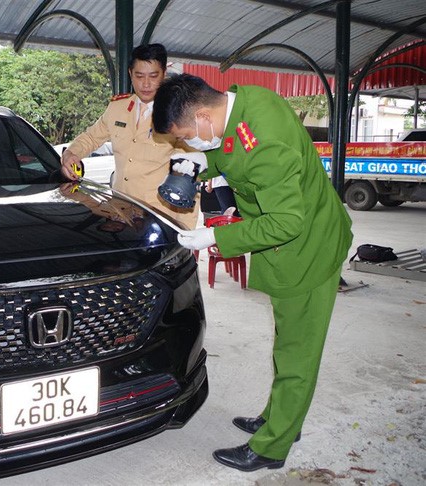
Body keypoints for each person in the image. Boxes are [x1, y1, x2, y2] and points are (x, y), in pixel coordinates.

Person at [152, 74, 353, 472]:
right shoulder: (246, 103)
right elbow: (233, 152)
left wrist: (214, 237)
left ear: (204, 115)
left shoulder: (265, 145)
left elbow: (285, 223)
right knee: (287, 342)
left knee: (298, 354)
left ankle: (271, 447)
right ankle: (281, 418)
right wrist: (203, 163)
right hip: (297, 242)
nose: (188, 143)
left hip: (306, 252)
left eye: (188, 136)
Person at [60, 43, 201, 230]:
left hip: (159, 215)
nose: (146, 84)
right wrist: (71, 154)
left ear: (164, 74)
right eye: (139, 76)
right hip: (120, 212)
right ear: (130, 73)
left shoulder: (177, 114)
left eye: (153, 76)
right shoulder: (117, 107)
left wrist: (183, 229)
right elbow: (91, 138)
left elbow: (191, 172)